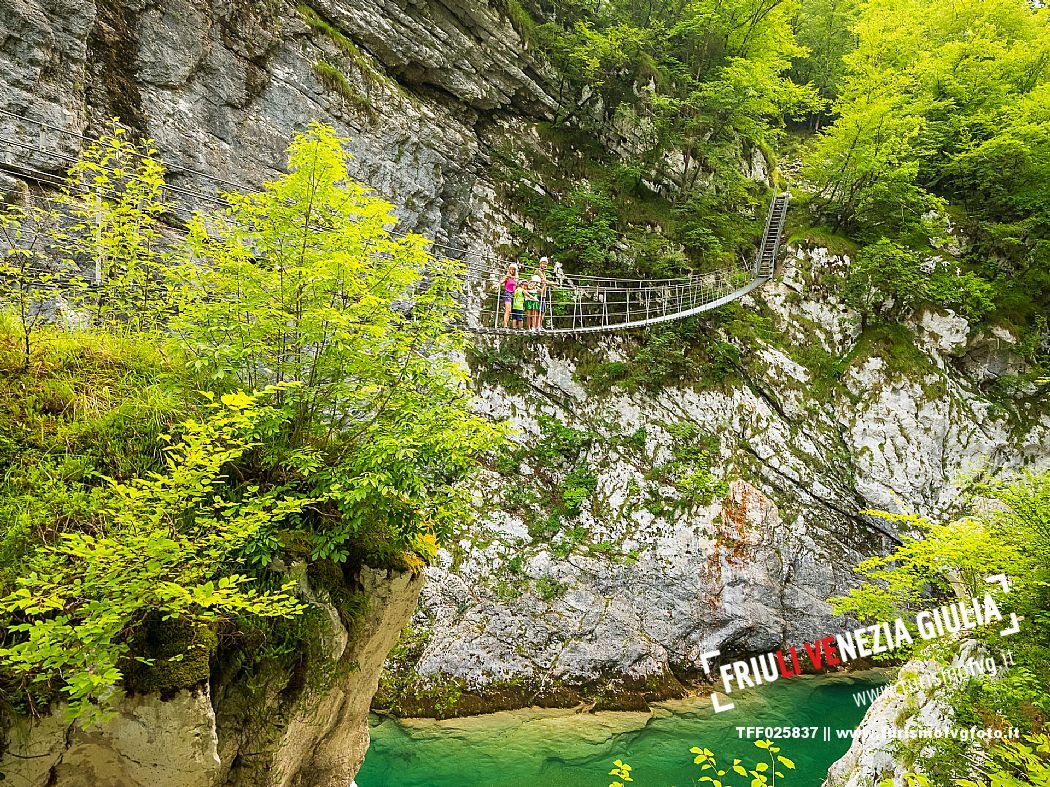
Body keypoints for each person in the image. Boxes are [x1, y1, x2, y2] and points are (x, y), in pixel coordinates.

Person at [536, 256, 551, 330]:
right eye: (543, 263)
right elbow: (543, 280)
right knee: (539, 310)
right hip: (539, 294)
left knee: (543, 310)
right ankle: (537, 326)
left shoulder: (543, 272)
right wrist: (553, 283)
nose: (544, 265)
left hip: (543, 294)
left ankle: (540, 325)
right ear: (540, 264)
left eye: (546, 264)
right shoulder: (538, 271)